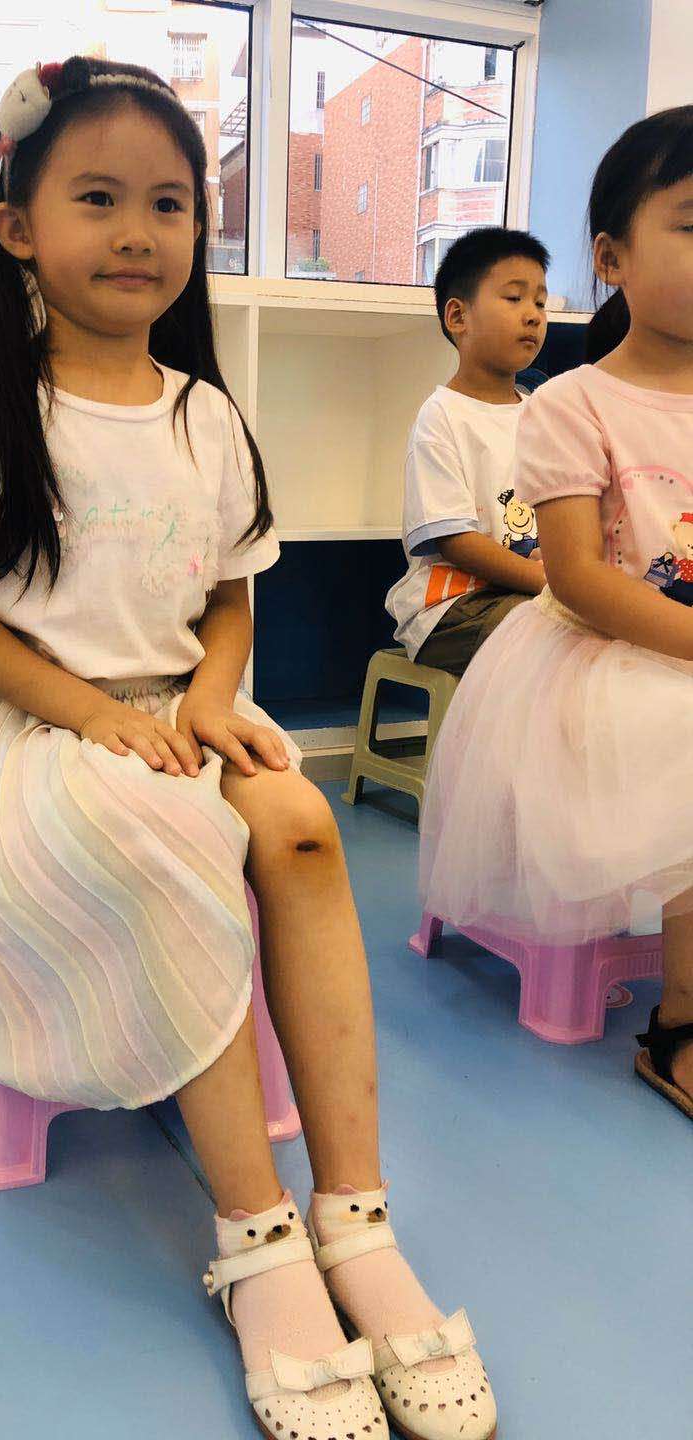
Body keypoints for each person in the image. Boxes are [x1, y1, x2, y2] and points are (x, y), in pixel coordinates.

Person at [0, 55, 496, 1440]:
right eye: (97, 198)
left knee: (305, 825)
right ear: (18, 224)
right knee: (183, 840)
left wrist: (213, 695)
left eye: (168, 203)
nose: (139, 231)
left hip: (177, 711)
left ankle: (355, 1217)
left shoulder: (205, 410)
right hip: (34, 724)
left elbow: (229, 592)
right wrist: (91, 713)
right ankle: (256, 1239)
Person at [419, 107, 693, 1124]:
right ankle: (680, 1020)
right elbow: (576, 575)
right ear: (613, 258)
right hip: (603, 652)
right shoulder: (571, 403)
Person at [386, 228, 550, 677]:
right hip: (453, 607)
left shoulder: (542, 412)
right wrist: (544, 580)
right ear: (458, 316)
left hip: (532, 592)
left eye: (540, 302)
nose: (533, 316)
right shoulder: (442, 416)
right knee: (550, 636)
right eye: (514, 298)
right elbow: (456, 541)